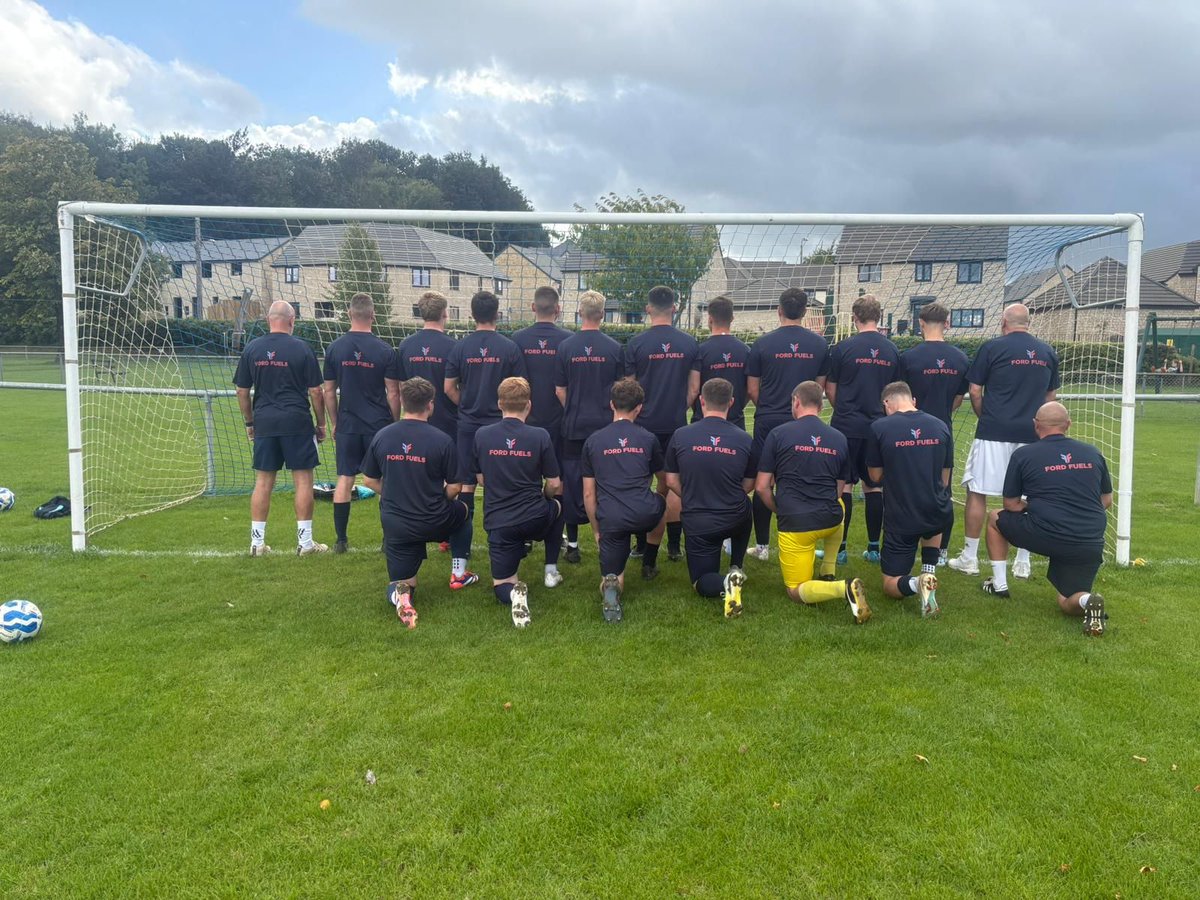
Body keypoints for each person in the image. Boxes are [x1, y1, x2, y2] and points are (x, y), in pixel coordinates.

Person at [948, 303, 1060, 580]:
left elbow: (974, 390)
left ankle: (970, 558)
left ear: (1003, 322)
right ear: (1028, 323)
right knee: (1028, 496)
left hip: (994, 431)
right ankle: (1023, 561)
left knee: (978, 492)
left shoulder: (992, 348)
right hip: (1033, 434)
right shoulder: (1047, 352)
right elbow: (1051, 399)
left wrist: (984, 415)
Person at [982, 401, 1110, 636]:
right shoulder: (1093, 453)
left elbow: (1010, 504)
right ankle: (1087, 601)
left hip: (1046, 533)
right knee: (1067, 601)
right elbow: (1106, 500)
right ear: (1068, 425)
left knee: (994, 518)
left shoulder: (1023, 455)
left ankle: (999, 584)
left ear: (1035, 425)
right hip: (1088, 540)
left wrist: (1037, 507)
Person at [360, 377, 477, 629]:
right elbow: (456, 486)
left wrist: (392, 494)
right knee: (464, 512)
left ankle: (403, 595)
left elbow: (369, 480)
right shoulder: (442, 439)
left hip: (398, 524)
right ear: (431, 405)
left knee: (404, 580)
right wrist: (437, 499)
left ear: (402, 402)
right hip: (434, 518)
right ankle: (458, 572)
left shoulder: (383, 436)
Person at [754, 381, 869, 624]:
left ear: (796, 401)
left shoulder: (778, 434)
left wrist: (780, 509)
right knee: (840, 506)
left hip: (798, 524)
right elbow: (840, 489)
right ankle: (827, 569)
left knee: (796, 590)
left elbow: (762, 487)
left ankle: (842, 588)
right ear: (821, 404)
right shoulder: (838, 438)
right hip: (832, 519)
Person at [444, 290, 526, 588]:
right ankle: (514, 550)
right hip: (500, 429)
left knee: (466, 491)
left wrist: (467, 405)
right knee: (505, 486)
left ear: (472, 313)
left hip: (468, 428)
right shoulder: (509, 347)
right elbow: (520, 389)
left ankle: (458, 569)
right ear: (497, 313)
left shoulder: (460, 347)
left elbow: (448, 387)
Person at [234, 300, 328, 556]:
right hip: (297, 422)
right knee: (303, 482)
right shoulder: (302, 348)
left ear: (268, 320)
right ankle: (305, 544)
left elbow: (242, 391)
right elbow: (316, 392)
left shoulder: (253, 348)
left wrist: (250, 422)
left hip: (265, 422)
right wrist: (321, 423)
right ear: (292, 320)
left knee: (263, 482)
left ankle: (256, 544)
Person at [472, 377, 565, 628]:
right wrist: (545, 497)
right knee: (558, 504)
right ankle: (550, 569)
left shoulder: (482, 435)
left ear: (499, 404)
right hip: (535, 516)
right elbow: (554, 484)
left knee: (503, 584)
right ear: (529, 405)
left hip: (499, 521)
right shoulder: (540, 435)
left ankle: (515, 593)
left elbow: (481, 479)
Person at [745, 287, 830, 561]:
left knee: (763, 480)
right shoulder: (819, 344)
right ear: (805, 312)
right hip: (804, 422)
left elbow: (752, 388)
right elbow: (818, 389)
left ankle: (762, 546)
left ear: (779, 310)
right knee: (798, 480)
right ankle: (803, 539)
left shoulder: (762, 343)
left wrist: (771, 409)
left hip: (768, 421)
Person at [663, 378, 754, 618]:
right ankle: (737, 566)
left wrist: (693, 495)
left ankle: (726, 580)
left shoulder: (681, 435)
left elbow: (670, 480)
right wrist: (729, 494)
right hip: (734, 514)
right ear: (732, 403)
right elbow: (751, 482)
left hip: (699, 520)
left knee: (701, 582)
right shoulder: (745, 439)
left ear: (701, 401)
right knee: (746, 505)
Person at [623, 285, 699, 565]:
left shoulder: (636, 344)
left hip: (643, 425)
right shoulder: (690, 343)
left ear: (648, 309)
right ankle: (675, 547)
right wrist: (679, 408)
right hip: (676, 424)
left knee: (641, 484)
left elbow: (629, 390)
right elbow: (694, 388)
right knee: (671, 482)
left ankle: (641, 545)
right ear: (675, 308)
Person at [582, 378, 669, 622]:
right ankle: (649, 562)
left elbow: (588, 493)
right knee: (664, 506)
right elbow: (664, 480)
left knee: (613, 576)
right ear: (639, 408)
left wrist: (597, 530)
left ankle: (612, 587)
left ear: (612, 405)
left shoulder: (593, 441)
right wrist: (658, 499)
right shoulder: (649, 439)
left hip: (611, 517)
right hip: (645, 511)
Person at [321, 292, 402, 553]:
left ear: (349, 314)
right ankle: (387, 539)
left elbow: (328, 391)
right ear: (373, 316)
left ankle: (341, 541)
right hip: (379, 425)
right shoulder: (385, 350)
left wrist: (335, 421)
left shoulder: (335, 348)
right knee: (383, 481)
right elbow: (393, 392)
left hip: (348, 424)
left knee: (345, 479)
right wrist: (394, 423)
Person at [865, 382, 953, 618]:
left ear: (886, 403)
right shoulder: (940, 425)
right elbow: (945, 478)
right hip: (938, 511)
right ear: (913, 400)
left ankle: (917, 583)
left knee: (890, 585)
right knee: (932, 519)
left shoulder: (879, 427)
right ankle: (929, 571)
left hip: (902, 515)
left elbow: (874, 477)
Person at [826, 294, 900, 564]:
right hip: (879, 428)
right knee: (874, 488)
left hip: (845, 427)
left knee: (843, 486)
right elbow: (895, 394)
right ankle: (873, 548)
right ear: (878, 317)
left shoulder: (842, 348)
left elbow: (830, 389)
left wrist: (844, 409)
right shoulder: (892, 350)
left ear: (855, 317)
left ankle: (841, 549)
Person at [896, 301, 970, 565]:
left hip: (911, 432)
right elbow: (958, 400)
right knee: (942, 490)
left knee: (906, 487)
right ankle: (941, 550)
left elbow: (901, 398)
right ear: (947, 323)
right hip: (943, 432)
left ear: (921, 323)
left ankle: (904, 543)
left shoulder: (909, 357)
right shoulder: (961, 359)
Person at [555, 290, 623, 565]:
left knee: (572, 483)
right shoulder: (615, 348)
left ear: (580, 313)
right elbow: (621, 391)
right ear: (603, 315)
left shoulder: (566, 347)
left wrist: (574, 408)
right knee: (606, 482)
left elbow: (560, 390)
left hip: (573, 426)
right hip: (606, 427)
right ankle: (606, 538)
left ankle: (572, 544)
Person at [397, 291, 459, 440]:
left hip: (414, 423)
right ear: (444, 313)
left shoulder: (405, 345)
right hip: (447, 425)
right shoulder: (455, 347)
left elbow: (402, 385)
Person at [689, 296, 749, 429]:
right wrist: (734, 406)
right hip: (735, 422)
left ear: (710, 319)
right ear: (732, 319)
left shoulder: (699, 351)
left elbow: (694, 388)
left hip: (702, 421)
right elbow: (750, 389)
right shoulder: (745, 351)